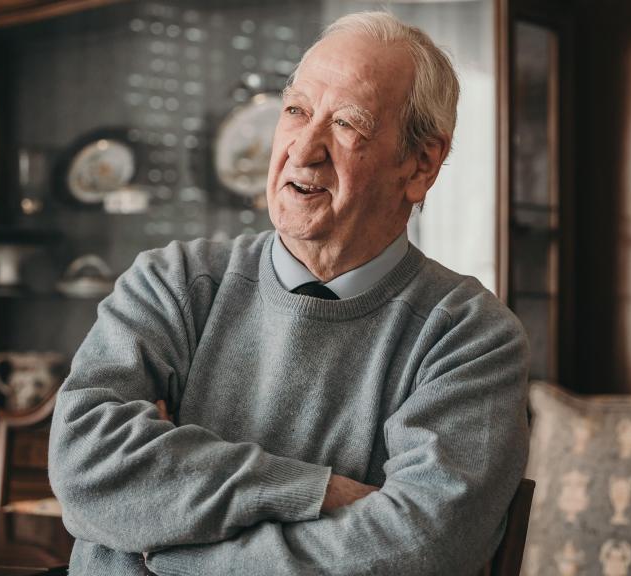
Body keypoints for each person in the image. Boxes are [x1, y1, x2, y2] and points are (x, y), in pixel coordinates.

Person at [48, 11, 530, 576]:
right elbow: (86, 466)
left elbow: (418, 547)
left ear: (420, 164)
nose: (303, 150)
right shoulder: (174, 282)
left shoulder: (469, 336)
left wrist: (167, 550)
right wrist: (315, 492)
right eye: (296, 111)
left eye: (348, 124)